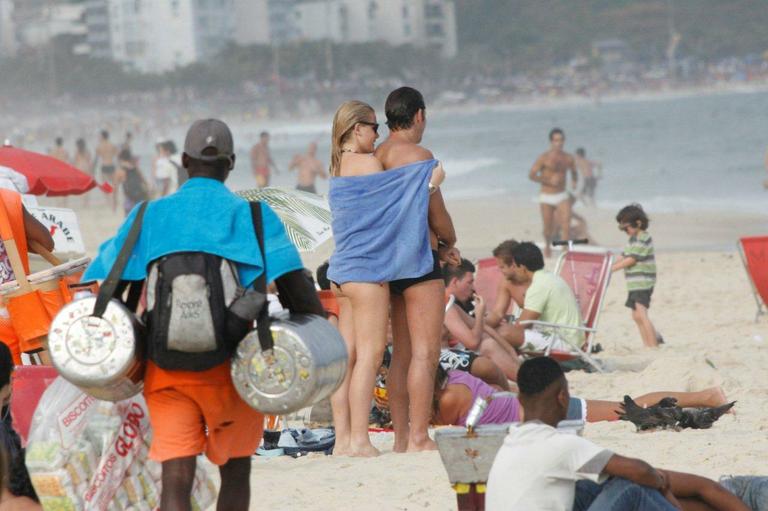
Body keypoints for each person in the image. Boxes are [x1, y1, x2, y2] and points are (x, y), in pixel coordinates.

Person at [83, 118, 320, 510]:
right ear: (230, 164)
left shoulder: (149, 215)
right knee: (236, 471)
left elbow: (102, 281)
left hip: (167, 369)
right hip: (234, 371)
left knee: (176, 478)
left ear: (184, 161)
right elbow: (301, 296)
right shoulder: (253, 217)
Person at [327, 100, 444, 457]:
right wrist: (430, 185)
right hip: (367, 272)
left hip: (340, 272)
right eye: (374, 127)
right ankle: (361, 440)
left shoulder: (338, 168)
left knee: (345, 357)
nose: (378, 134)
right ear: (356, 129)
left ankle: (343, 439)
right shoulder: (369, 164)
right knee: (371, 356)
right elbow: (399, 206)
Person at [485, 357, 747, 511]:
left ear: (520, 398)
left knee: (589, 486)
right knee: (629, 486)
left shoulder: (513, 441)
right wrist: (662, 485)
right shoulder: (558, 444)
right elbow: (638, 472)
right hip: (646, 481)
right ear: (563, 397)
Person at [374, 86, 461, 453]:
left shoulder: (375, 156)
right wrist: (448, 241)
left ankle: (399, 439)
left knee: (402, 355)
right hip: (419, 261)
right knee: (427, 353)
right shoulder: (420, 156)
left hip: (387, 262)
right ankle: (420, 437)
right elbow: (434, 211)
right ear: (419, 115)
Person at [433, 363, 728, 428]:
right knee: (630, 409)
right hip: (541, 407)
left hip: (549, 413)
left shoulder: (449, 398)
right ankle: (705, 398)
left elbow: (434, 425)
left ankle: (707, 396)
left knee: (632, 410)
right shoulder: (456, 377)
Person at [0, 189, 55, 364]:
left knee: (8, 375)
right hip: (21, 298)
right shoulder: (7, 199)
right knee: (43, 370)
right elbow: (46, 243)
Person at [442, 260, 521, 381]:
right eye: (469, 282)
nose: (473, 288)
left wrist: (510, 350)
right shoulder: (445, 305)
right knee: (487, 345)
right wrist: (479, 314)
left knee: (487, 340)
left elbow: (484, 327)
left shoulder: (450, 303)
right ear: (455, 282)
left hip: (451, 353)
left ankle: (522, 379)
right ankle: (526, 382)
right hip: (440, 359)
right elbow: (472, 342)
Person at [612, 204, 663, 348]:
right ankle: (651, 341)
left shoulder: (644, 238)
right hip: (634, 283)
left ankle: (653, 345)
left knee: (641, 313)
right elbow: (624, 255)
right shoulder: (633, 240)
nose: (625, 231)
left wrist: (612, 269)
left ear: (638, 223)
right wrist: (607, 264)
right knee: (636, 316)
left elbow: (632, 259)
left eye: (626, 228)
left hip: (643, 282)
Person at [529, 128, 578, 258]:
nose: (559, 143)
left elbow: (574, 171)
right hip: (546, 196)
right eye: (556, 140)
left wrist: (574, 181)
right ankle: (547, 246)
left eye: (561, 140)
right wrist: (548, 180)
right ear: (551, 141)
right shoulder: (544, 158)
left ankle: (565, 252)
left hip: (562, 195)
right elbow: (532, 175)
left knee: (566, 224)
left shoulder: (568, 158)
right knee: (547, 229)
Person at [484, 240, 529, 334]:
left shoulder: (535, 281)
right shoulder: (506, 283)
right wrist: (478, 325)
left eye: (502, 267)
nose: (500, 270)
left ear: (513, 265)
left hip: (549, 328)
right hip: (527, 325)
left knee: (503, 333)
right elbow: (497, 313)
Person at [114, 149, 149, 217]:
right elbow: (144, 181)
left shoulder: (120, 171)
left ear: (120, 159)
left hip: (129, 198)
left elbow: (115, 188)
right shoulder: (135, 168)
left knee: (129, 219)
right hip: (141, 196)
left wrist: (114, 202)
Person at [95, 130, 119, 211]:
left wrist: (93, 169)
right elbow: (117, 155)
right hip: (111, 165)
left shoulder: (99, 146)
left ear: (102, 136)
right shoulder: (112, 145)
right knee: (114, 185)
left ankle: (109, 202)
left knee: (105, 185)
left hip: (104, 166)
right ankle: (113, 202)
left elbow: (96, 159)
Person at [73, 138, 94, 206]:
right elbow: (90, 162)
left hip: (79, 169)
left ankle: (83, 202)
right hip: (86, 169)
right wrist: (91, 172)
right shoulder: (87, 152)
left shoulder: (77, 152)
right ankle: (86, 202)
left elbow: (75, 162)